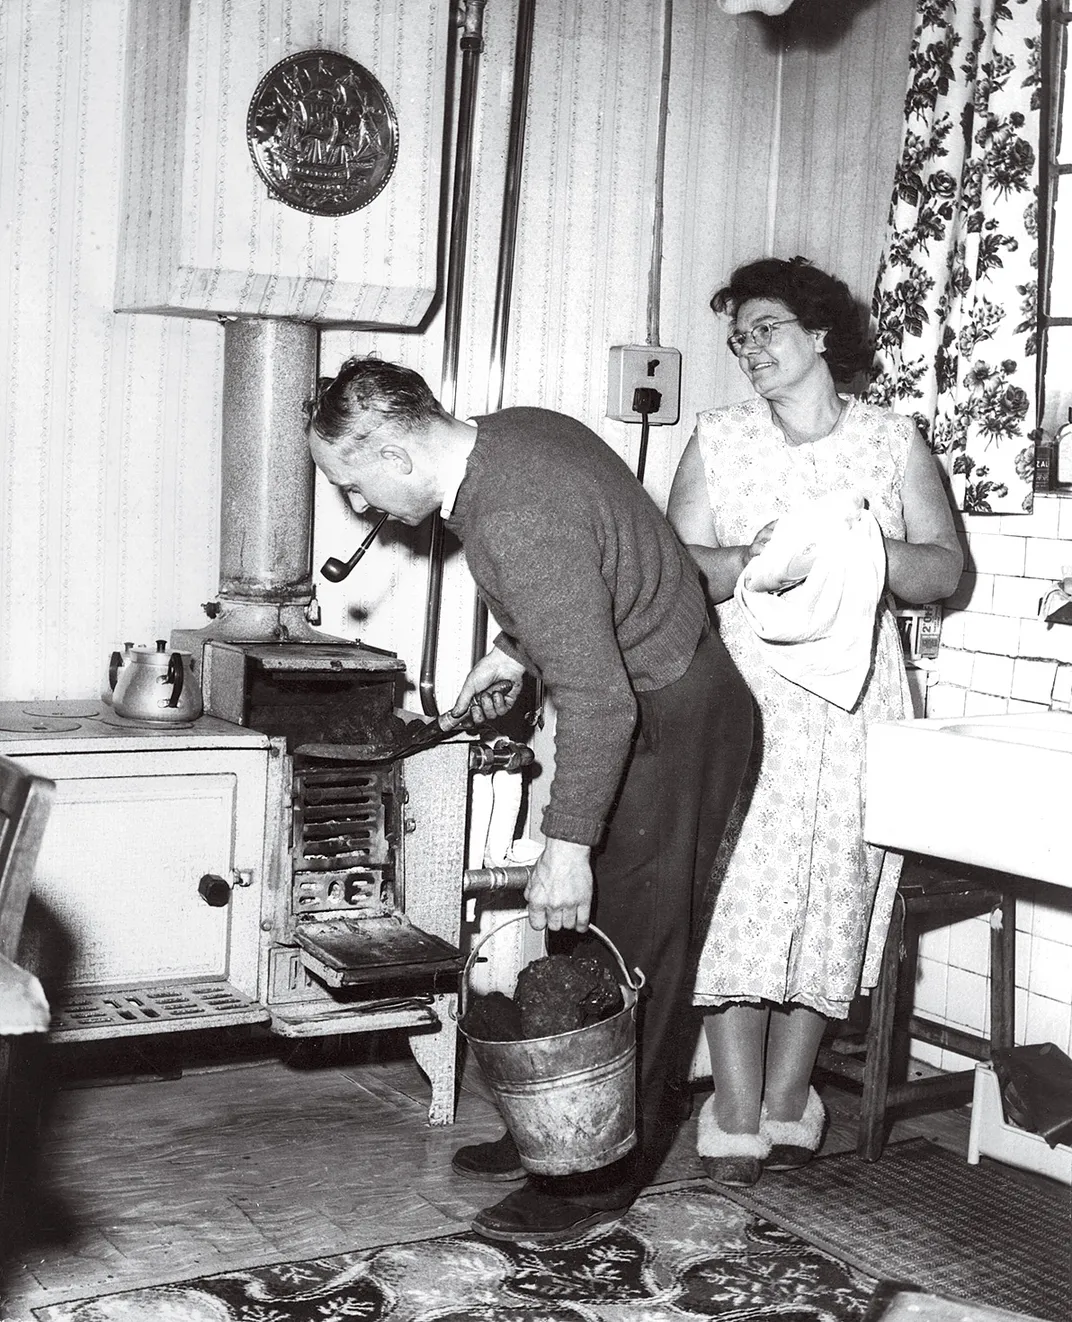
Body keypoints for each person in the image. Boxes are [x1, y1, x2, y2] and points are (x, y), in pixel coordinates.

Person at [306, 357, 753, 1244]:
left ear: (395, 448)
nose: (358, 508)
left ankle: (596, 1179)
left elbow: (600, 699)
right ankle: (563, 1127)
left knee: (640, 946)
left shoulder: (512, 515)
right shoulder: (513, 435)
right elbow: (595, 561)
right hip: (658, 688)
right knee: (591, 936)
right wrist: (513, 649)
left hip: (671, 706)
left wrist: (567, 843)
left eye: (353, 485)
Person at [667, 256, 962, 1187]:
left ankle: (792, 1103)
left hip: (854, 704)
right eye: (739, 336)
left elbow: (945, 573)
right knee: (739, 901)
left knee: (829, 902)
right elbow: (679, 568)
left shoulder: (892, 442)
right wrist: (752, 555)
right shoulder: (719, 439)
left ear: (822, 334)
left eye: (766, 328)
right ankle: (735, 1108)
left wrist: (864, 547)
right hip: (748, 699)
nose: (748, 349)